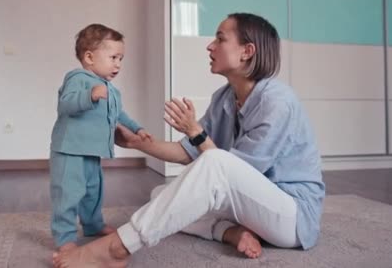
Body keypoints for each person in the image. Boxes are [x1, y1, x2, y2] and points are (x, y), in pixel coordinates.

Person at [53, 13, 325, 267]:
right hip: (252, 208)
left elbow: (228, 170)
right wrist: (137, 142)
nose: (210, 46)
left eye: (220, 38)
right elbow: (188, 153)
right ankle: (228, 232)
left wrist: (196, 132)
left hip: (292, 218)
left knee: (212, 166)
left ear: (247, 51)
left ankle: (117, 248)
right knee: (162, 195)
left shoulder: (277, 101)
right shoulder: (224, 98)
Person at [49, 23, 153, 253]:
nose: (118, 64)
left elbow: (119, 114)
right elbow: (65, 104)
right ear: (89, 57)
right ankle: (64, 237)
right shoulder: (78, 78)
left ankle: (93, 225)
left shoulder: (111, 89)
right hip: (69, 150)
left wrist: (137, 129)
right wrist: (90, 95)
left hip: (92, 151)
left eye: (121, 58)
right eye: (113, 57)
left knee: (93, 191)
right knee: (68, 194)